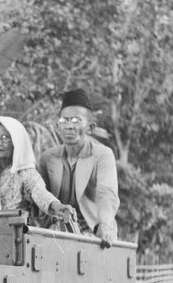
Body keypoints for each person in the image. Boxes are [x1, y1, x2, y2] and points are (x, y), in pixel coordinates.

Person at [37, 89, 119, 248]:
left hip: (93, 232)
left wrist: (104, 224)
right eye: (64, 121)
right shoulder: (47, 158)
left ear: (91, 127)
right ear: (57, 126)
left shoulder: (103, 155)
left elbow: (106, 193)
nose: (69, 126)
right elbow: (39, 195)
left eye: (76, 121)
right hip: (56, 232)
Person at [0, 116, 75, 224]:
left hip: (16, 230)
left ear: (16, 143)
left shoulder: (24, 170)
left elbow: (39, 192)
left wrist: (57, 206)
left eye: (5, 137)